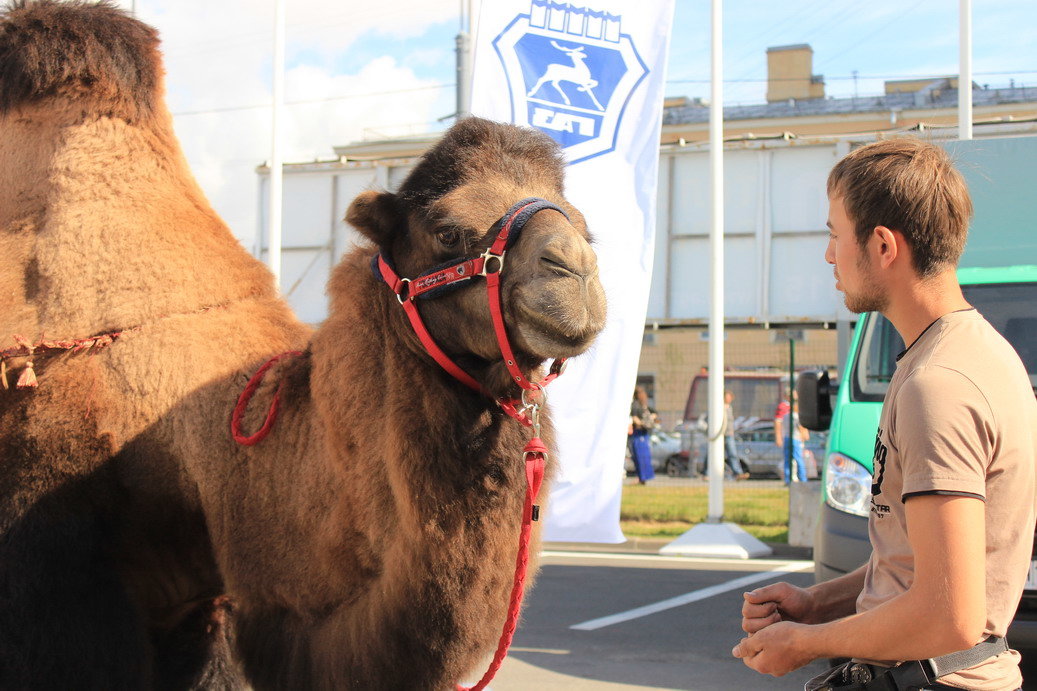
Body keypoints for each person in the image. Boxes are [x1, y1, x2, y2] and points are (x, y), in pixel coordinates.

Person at [732, 138, 1037, 690]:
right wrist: (816, 601)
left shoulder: (937, 385)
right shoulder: (970, 353)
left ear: (881, 245)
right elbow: (913, 565)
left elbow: (950, 615)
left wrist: (805, 643)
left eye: (834, 233)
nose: (829, 254)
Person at [775, 394, 809, 483]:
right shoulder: (797, 417)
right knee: (798, 459)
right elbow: (801, 428)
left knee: (787, 459)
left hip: (787, 438)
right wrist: (804, 436)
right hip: (796, 439)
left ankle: (787, 479)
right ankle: (803, 478)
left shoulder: (786, 416)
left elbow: (780, 424)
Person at [628, 386, 657, 484]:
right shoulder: (640, 405)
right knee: (642, 457)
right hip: (642, 434)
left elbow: (636, 418)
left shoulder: (638, 405)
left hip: (640, 433)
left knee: (640, 457)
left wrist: (644, 422)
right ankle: (642, 478)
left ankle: (642, 478)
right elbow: (636, 418)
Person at [722, 390, 750, 480]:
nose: (729, 399)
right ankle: (707, 472)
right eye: (728, 396)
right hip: (721, 435)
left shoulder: (729, 407)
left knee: (733, 454)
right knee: (713, 454)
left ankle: (738, 473)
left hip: (729, 435)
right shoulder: (719, 407)